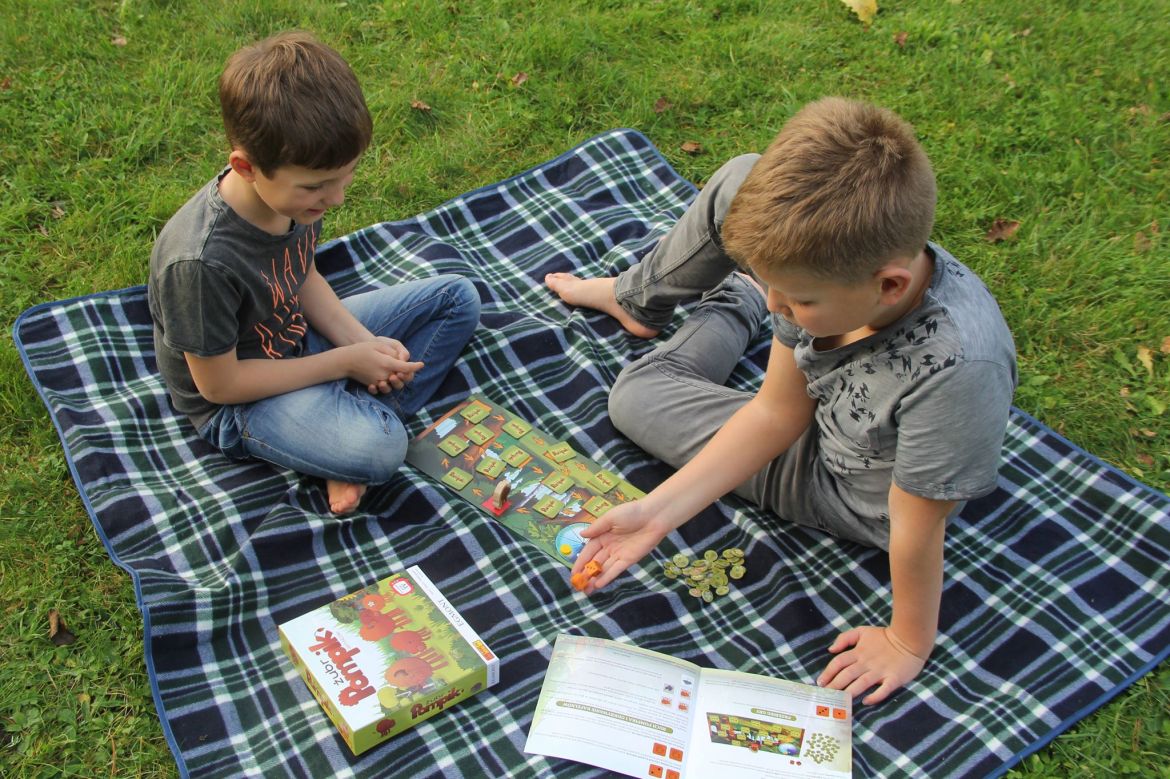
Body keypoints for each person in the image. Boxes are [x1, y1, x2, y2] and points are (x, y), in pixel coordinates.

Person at [546, 97, 1017, 704]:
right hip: (818, 422)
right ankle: (686, 296)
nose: (780, 311)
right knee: (743, 179)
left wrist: (907, 641)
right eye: (771, 290)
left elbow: (914, 527)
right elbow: (776, 410)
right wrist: (656, 514)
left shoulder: (955, 370)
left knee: (638, 394)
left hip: (851, 488)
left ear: (890, 286)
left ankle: (728, 301)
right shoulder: (841, 289)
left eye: (796, 300)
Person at [148, 31, 480, 515]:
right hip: (241, 400)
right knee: (383, 449)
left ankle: (336, 429)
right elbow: (218, 387)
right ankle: (344, 441)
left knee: (458, 298)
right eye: (319, 187)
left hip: (297, 342)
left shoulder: (292, 197)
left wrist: (360, 341)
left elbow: (300, 276)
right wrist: (347, 364)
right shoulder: (200, 264)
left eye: (346, 178)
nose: (337, 199)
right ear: (245, 168)